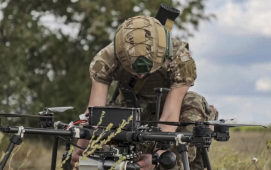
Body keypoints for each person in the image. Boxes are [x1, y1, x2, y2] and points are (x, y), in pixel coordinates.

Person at [71, 16, 218, 170]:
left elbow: (169, 118)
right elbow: (95, 113)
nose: (140, 76)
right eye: (133, 70)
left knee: (194, 102)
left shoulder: (180, 58)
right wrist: (82, 148)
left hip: (170, 113)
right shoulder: (105, 60)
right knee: (109, 116)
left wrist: (157, 158)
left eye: (146, 71)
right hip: (131, 111)